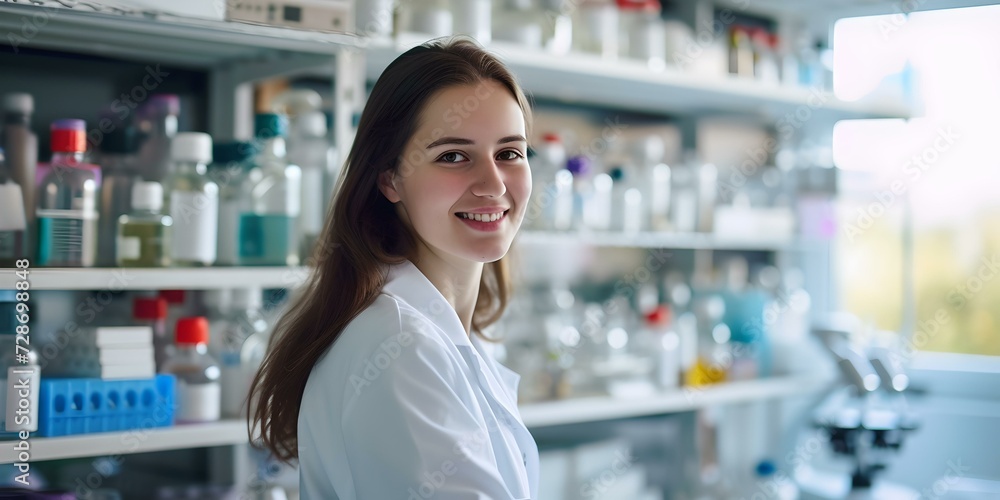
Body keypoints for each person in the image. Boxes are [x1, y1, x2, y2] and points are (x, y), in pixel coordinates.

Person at [248, 37, 538, 499]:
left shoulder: (443, 331)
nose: (493, 184)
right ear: (390, 179)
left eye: (509, 153)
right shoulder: (401, 348)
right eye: (453, 156)